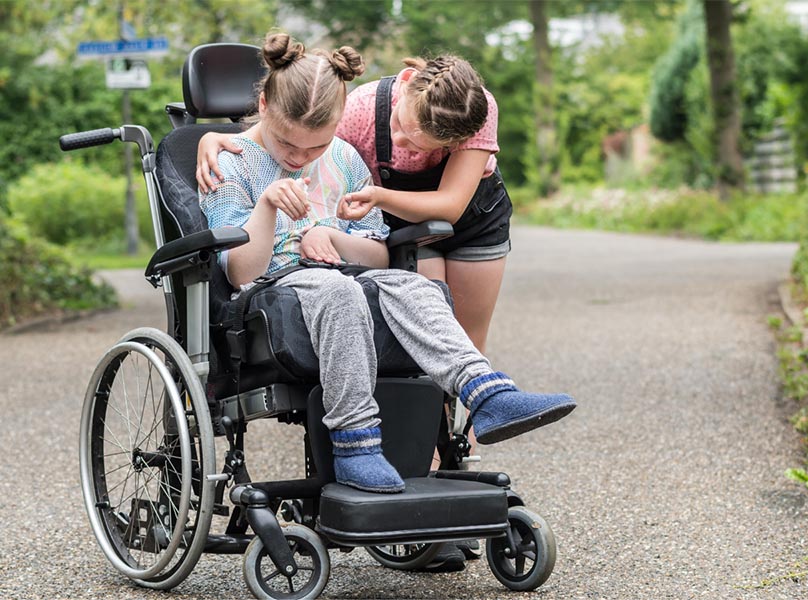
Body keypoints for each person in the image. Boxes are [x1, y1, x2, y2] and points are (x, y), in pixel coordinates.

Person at [199, 32, 575, 496]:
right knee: (337, 292)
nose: (299, 159)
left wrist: (335, 237)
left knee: (412, 285)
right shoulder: (229, 164)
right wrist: (268, 207)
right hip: (276, 286)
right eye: (287, 145)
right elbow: (239, 273)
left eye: (314, 148)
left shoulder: (343, 157)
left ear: (337, 124)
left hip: (348, 272)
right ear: (262, 104)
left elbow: (376, 252)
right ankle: (356, 445)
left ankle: (489, 394)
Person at [198, 53, 511, 355]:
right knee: (427, 335)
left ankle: (483, 401)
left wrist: (376, 198)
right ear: (404, 85)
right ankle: (433, 407)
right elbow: (299, 128)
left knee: (467, 339)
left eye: (420, 144)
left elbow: (450, 206)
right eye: (400, 126)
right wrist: (214, 138)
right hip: (407, 224)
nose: (402, 143)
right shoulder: (361, 109)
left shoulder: (474, 109)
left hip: (473, 218)